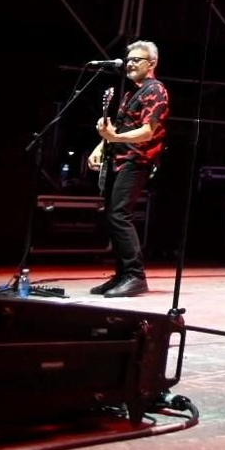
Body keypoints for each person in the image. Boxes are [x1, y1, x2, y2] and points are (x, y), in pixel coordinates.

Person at [87, 40, 168, 298]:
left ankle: (135, 276)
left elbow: (147, 132)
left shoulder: (156, 90)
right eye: (129, 59)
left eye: (137, 60)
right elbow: (118, 129)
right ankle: (122, 275)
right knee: (112, 216)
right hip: (120, 159)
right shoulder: (130, 93)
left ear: (151, 63)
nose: (130, 63)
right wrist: (101, 145)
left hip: (137, 159)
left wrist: (113, 137)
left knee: (120, 215)